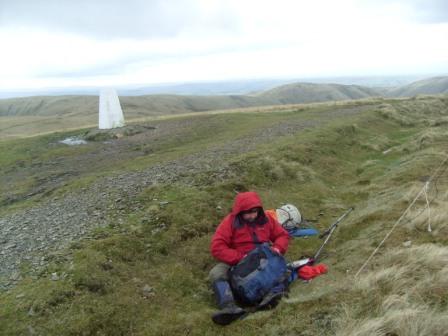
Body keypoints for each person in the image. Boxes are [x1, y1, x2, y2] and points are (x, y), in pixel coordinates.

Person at [208, 191, 290, 325]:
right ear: (239, 211)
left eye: (254, 211)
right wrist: (240, 257)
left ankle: (272, 297)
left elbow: (283, 235)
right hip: (238, 259)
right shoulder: (229, 222)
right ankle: (229, 306)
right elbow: (217, 247)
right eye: (248, 212)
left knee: (282, 269)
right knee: (216, 273)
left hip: (263, 256)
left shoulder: (267, 219)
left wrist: (277, 249)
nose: (252, 215)